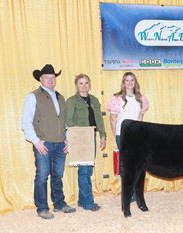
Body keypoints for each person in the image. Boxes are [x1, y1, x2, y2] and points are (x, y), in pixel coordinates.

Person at [21, 64, 76, 219]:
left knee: (57, 175)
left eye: (53, 77)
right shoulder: (33, 96)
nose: (51, 80)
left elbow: (63, 121)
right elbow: (26, 122)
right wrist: (36, 141)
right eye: (47, 77)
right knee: (42, 175)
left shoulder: (60, 97)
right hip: (43, 143)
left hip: (59, 143)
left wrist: (66, 139)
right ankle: (42, 208)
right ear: (41, 79)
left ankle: (59, 204)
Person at [66, 74, 107, 211]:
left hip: (92, 137)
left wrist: (103, 135)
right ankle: (88, 203)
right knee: (84, 171)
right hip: (80, 138)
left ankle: (82, 200)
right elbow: (68, 119)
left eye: (86, 83)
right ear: (76, 86)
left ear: (89, 85)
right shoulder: (71, 101)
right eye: (81, 83)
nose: (84, 86)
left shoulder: (94, 100)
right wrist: (75, 127)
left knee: (87, 169)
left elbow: (99, 120)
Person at [106, 72, 149, 202]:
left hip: (136, 136)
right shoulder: (117, 98)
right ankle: (127, 194)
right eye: (127, 80)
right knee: (125, 165)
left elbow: (140, 117)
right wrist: (116, 135)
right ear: (123, 82)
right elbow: (113, 119)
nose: (130, 83)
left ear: (135, 82)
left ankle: (135, 193)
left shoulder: (141, 98)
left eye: (132, 80)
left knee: (137, 165)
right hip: (122, 135)